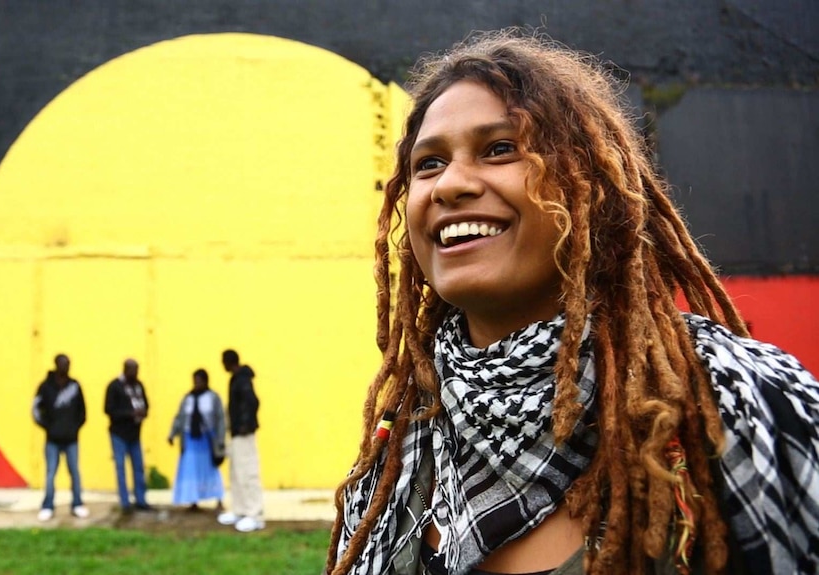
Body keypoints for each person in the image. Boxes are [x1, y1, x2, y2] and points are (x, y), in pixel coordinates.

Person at [326, 29, 819, 575]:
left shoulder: (734, 400)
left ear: (590, 188)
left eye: (500, 149)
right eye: (429, 163)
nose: (450, 186)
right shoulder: (402, 446)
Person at [31, 353, 89, 521]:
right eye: (63, 363)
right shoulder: (45, 386)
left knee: (75, 472)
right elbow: (36, 410)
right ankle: (47, 506)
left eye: (68, 364)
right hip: (53, 440)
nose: (66, 366)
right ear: (56, 365)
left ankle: (77, 504)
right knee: (50, 474)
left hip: (71, 439)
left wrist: (74, 428)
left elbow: (83, 411)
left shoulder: (75, 385)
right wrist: (49, 427)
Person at [216, 348, 265, 532]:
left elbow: (253, 402)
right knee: (236, 473)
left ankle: (255, 515)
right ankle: (240, 510)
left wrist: (245, 424)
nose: (222, 364)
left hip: (244, 434)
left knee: (248, 473)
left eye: (223, 360)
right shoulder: (235, 379)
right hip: (236, 434)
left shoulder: (243, 379)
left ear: (229, 361)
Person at [167, 368, 226, 510]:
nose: (196, 384)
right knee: (190, 469)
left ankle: (218, 498)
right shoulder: (188, 398)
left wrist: (220, 439)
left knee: (210, 469)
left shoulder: (213, 397)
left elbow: (220, 419)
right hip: (190, 439)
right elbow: (180, 418)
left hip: (207, 439)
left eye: (199, 381)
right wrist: (172, 434)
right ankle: (193, 500)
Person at [104, 358, 153, 513]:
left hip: (135, 434)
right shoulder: (114, 386)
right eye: (133, 370)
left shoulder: (139, 385)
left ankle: (141, 500)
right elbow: (108, 409)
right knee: (121, 467)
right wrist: (130, 414)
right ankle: (125, 502)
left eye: (137, 370)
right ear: (126, 369)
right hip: (119, 434)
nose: (136, 373)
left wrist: (144, 412)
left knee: (138, 467)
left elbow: (146, 403)